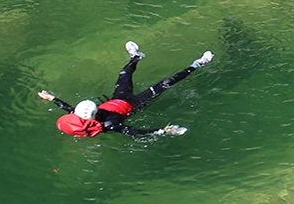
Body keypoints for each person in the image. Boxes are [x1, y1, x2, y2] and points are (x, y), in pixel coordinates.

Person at [38, 41, 212, 138]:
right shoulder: (110, 125)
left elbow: (68, 108)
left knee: (124, 73)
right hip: (134, 104)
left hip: (118, 98)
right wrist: (162, 130)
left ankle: (136, 57)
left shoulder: (82, 117)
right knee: (167, 82)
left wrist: (51, 98)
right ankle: (198, 64)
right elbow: (134, 132)